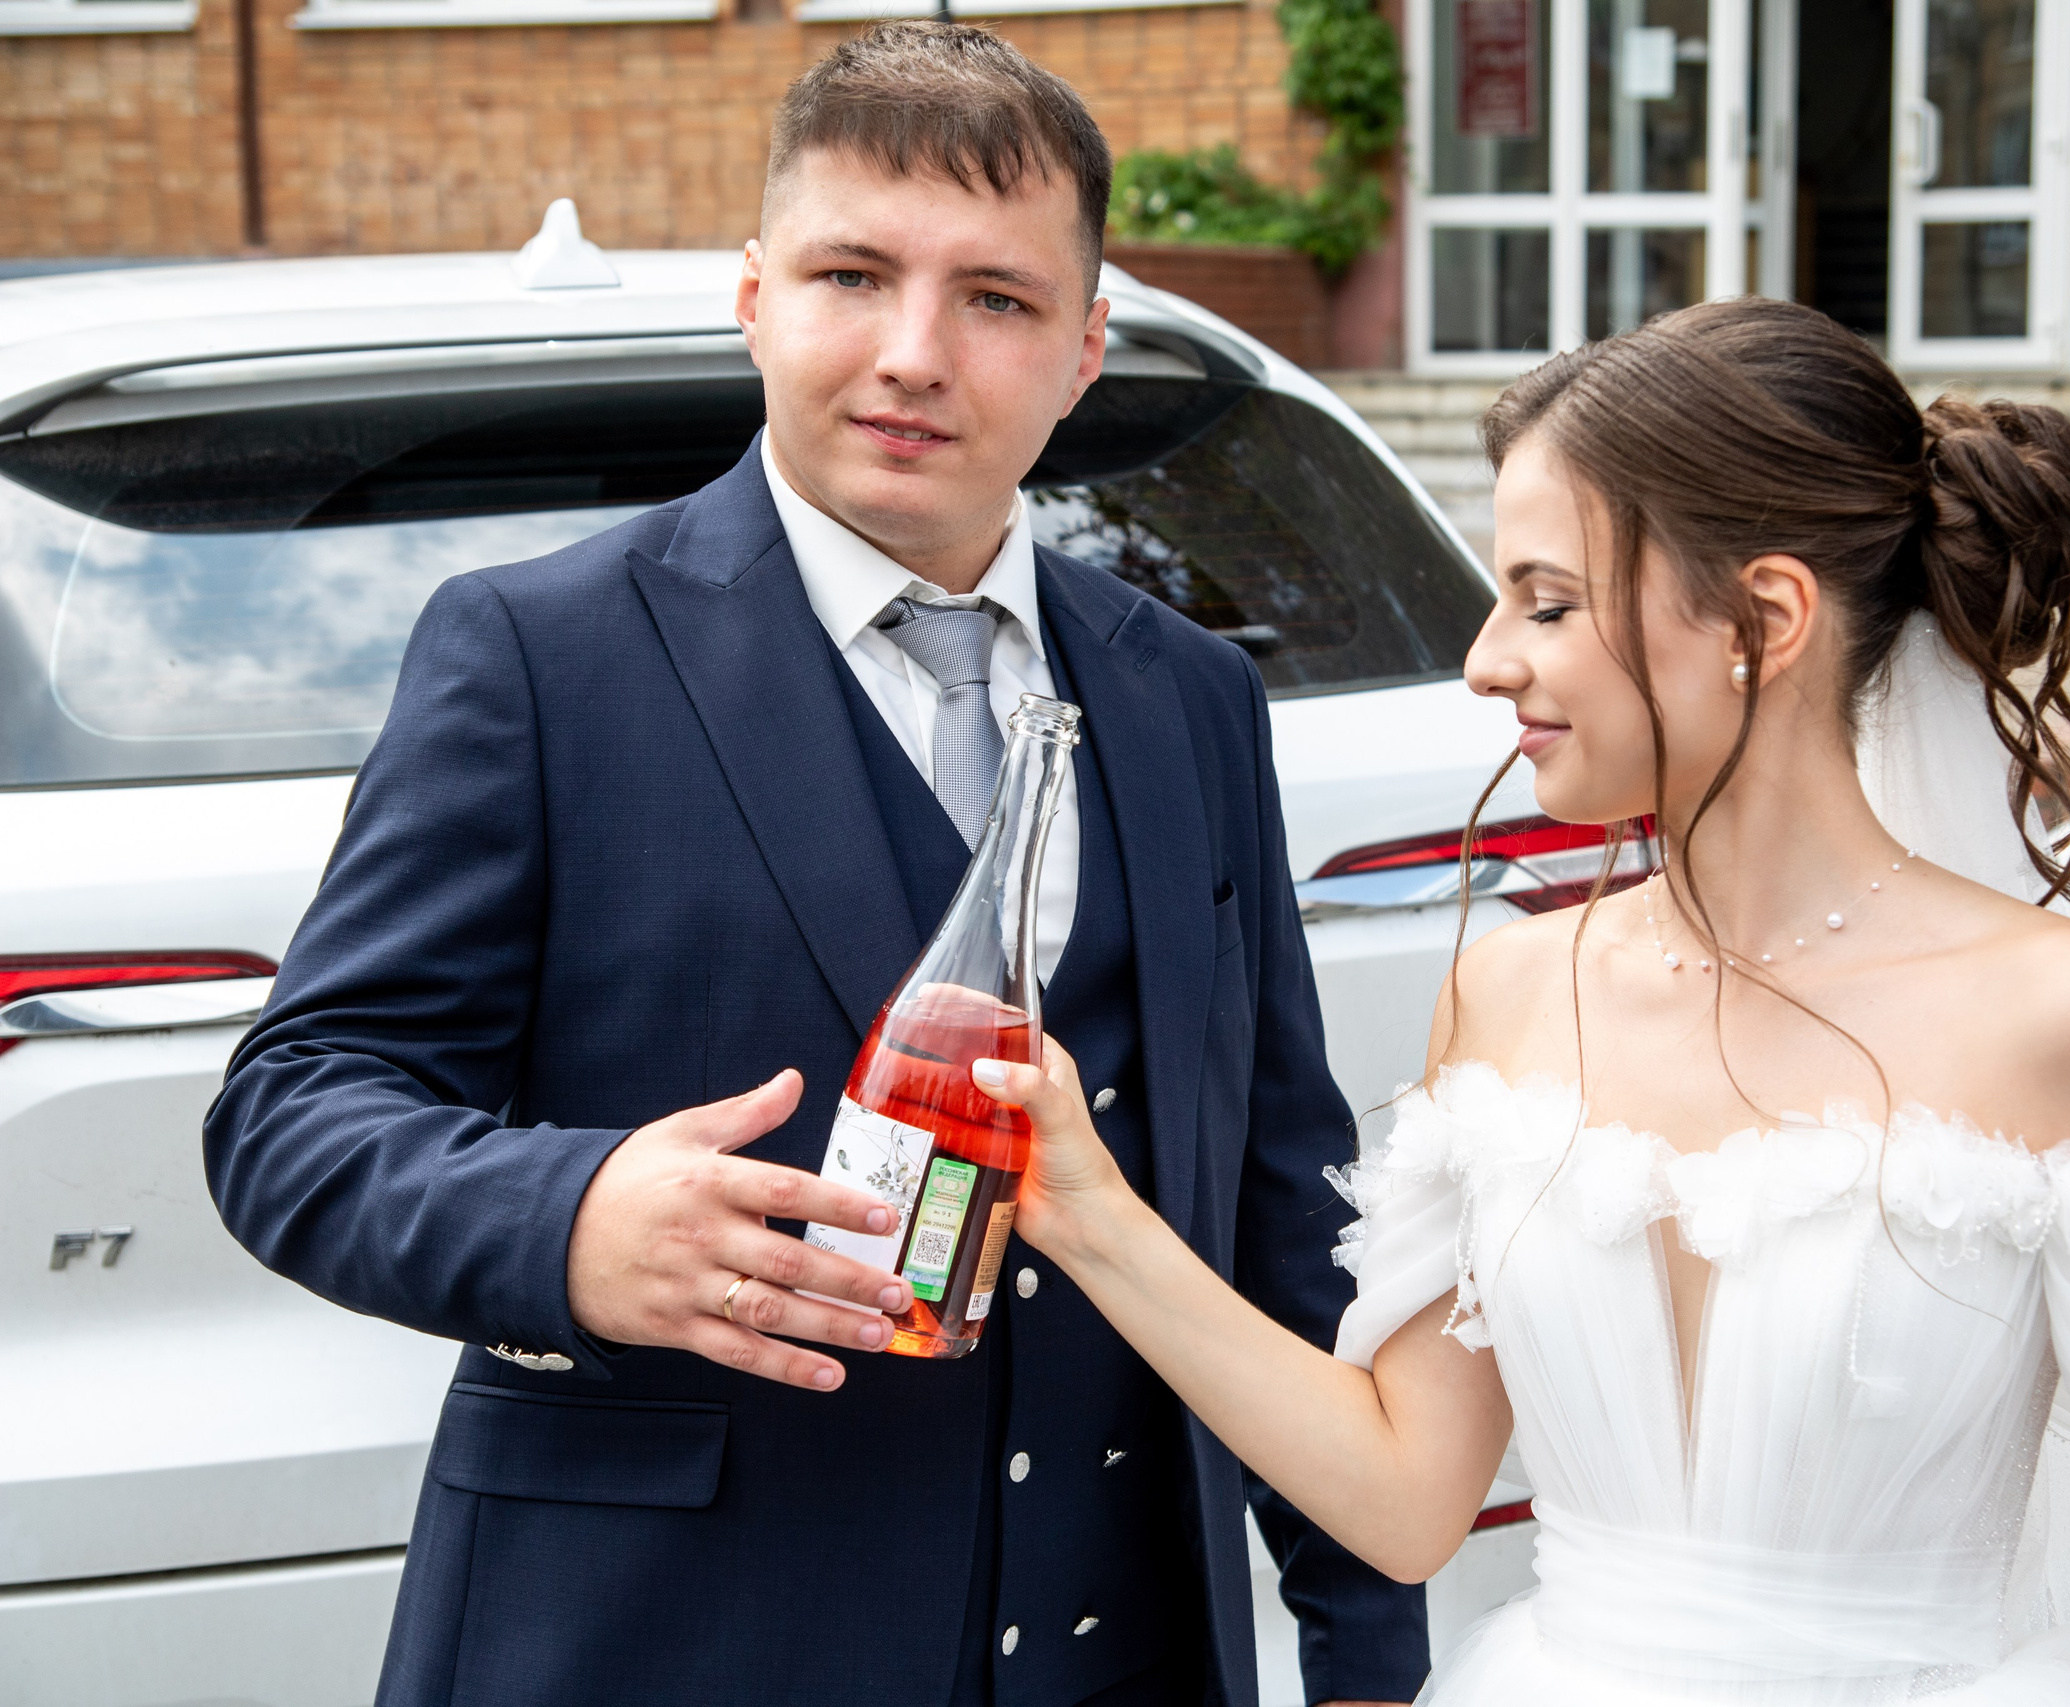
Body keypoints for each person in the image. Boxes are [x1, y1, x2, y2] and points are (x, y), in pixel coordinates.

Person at [202, 23, 1426, 1707]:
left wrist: (1364, 1647)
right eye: (854, 273)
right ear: (755, 298)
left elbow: (1282, 1190)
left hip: (1123, 1651)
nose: (914, 353)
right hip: (667, 1642)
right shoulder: (536, 654)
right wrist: (569, 1220)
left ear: (1084, 349)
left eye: (995, 299)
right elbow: (295, 1112)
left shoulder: (1191, 692)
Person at [978, 298, 2070, 1706]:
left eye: (1547, 601)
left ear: (1763, 620)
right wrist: (1099, 1219)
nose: (1485, 659)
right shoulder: (1508, 994)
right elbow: (1408, 1500)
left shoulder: (2060, 1014)